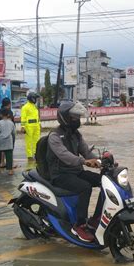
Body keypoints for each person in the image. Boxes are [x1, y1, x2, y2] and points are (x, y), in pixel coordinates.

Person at [46, 101, 102, 242]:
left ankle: (96, 219)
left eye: (78, 117)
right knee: (85, 187)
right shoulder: (54, 136)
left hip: (75, 171)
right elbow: (65, 155)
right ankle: (80, 225)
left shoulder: (76, 134)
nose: (77, 120)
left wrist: (101, 162)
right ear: (65, 117)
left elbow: (86, 152)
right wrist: (84, 162)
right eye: (74, 117)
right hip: (60, 174)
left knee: (104, 180)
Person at [0, 108, 16, 175]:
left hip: (0, 141)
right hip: (9, 141)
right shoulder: (11, 123)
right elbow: (14, 132)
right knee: (9, 156)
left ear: (0, 115)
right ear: (8, 114)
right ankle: (10, 170)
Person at [0, 98, 15, 168]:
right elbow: (12, 124)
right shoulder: (9, 112)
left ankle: (2, 162)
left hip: (0, 135)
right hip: (9, 134)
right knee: (9, 150)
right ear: (9, 104)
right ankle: (9, 164)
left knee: (2, 149)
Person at [21, 93, 41, 160]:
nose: (35, 100)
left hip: (36, 126)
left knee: (36, 141)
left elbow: (37, 116)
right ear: (31, 98)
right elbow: (23, 117)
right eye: (35, 98)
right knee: (29, 141)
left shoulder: (34, 106)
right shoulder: (25, 107)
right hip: (29, 127)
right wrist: (23, 127)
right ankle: (29, 155)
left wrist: (39, 124)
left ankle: (36, 153)